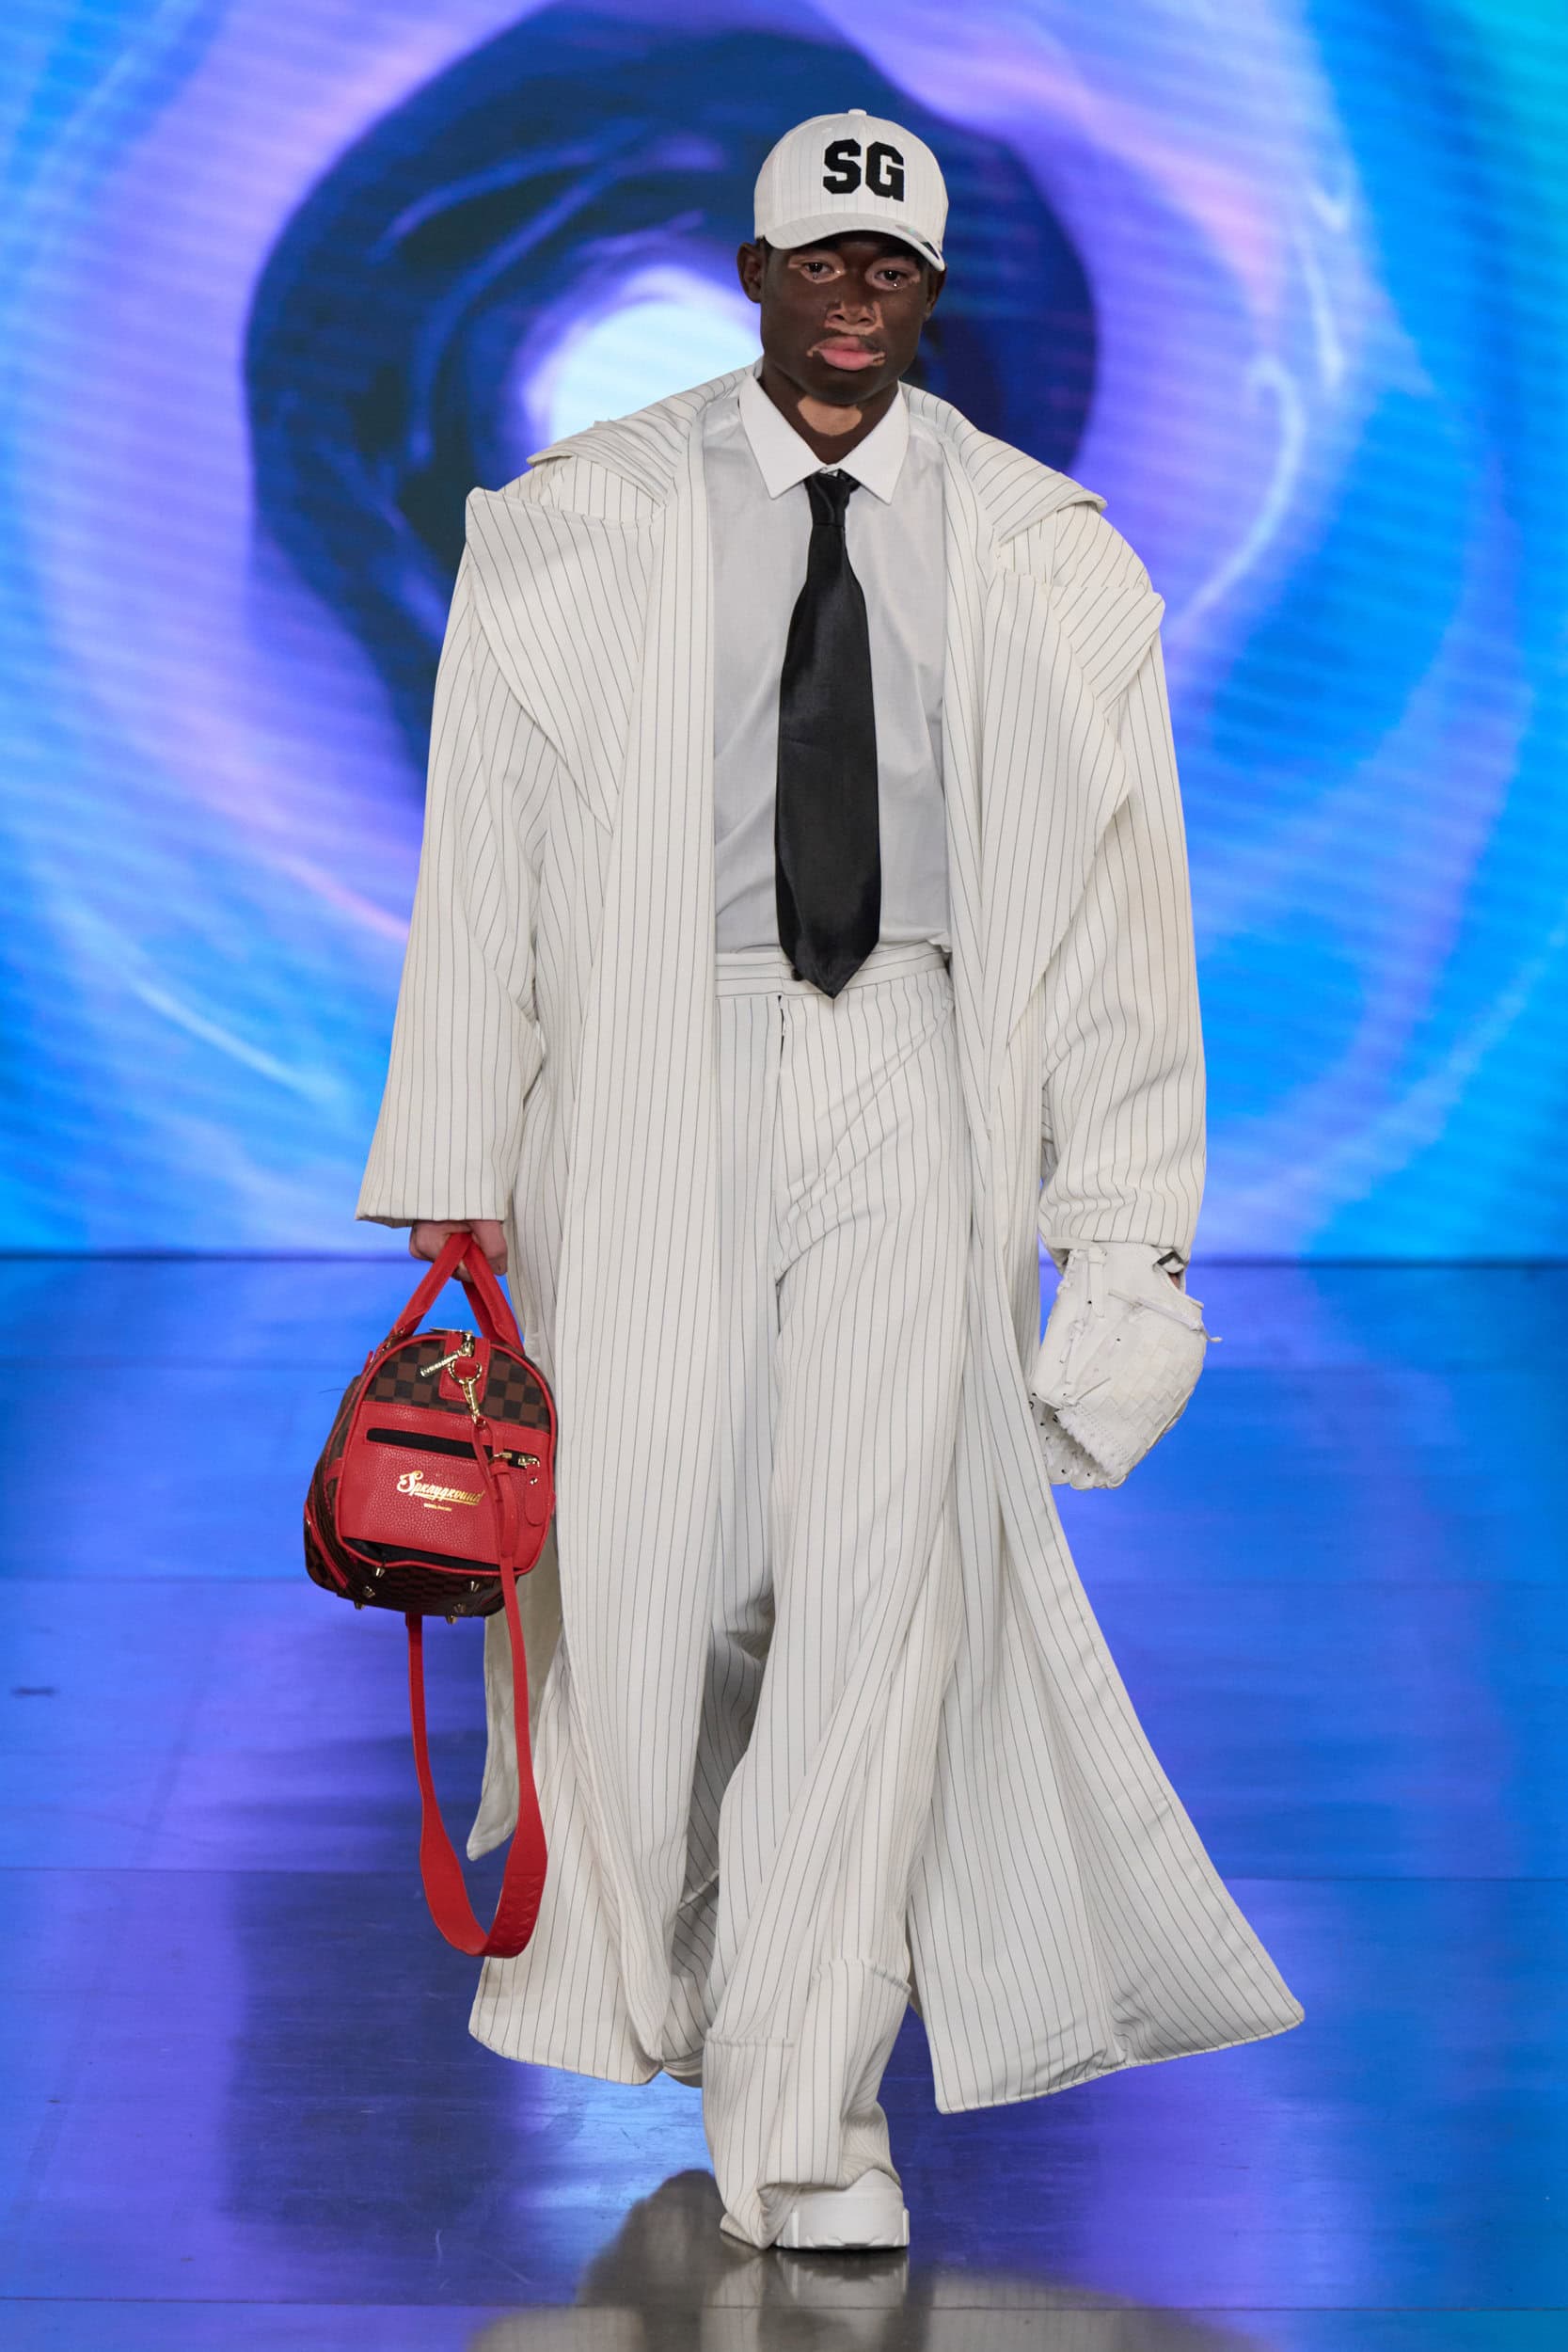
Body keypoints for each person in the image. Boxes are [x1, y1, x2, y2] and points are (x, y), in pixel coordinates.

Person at [356, 108, 1303, 2253]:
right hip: (646, 1064)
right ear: (755, 271)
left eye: (891, 267)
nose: (854, 295)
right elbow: (481, 845)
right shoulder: (582, 520)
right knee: (652, 1580)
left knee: (881, 1597)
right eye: (820, 259)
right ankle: (702, 1985)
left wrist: (1124, 1234)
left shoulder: (1044, 551)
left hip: (918, 1059)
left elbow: (1122, 914)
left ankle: (805, 2112)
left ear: (930, 291)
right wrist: (455, 1156)